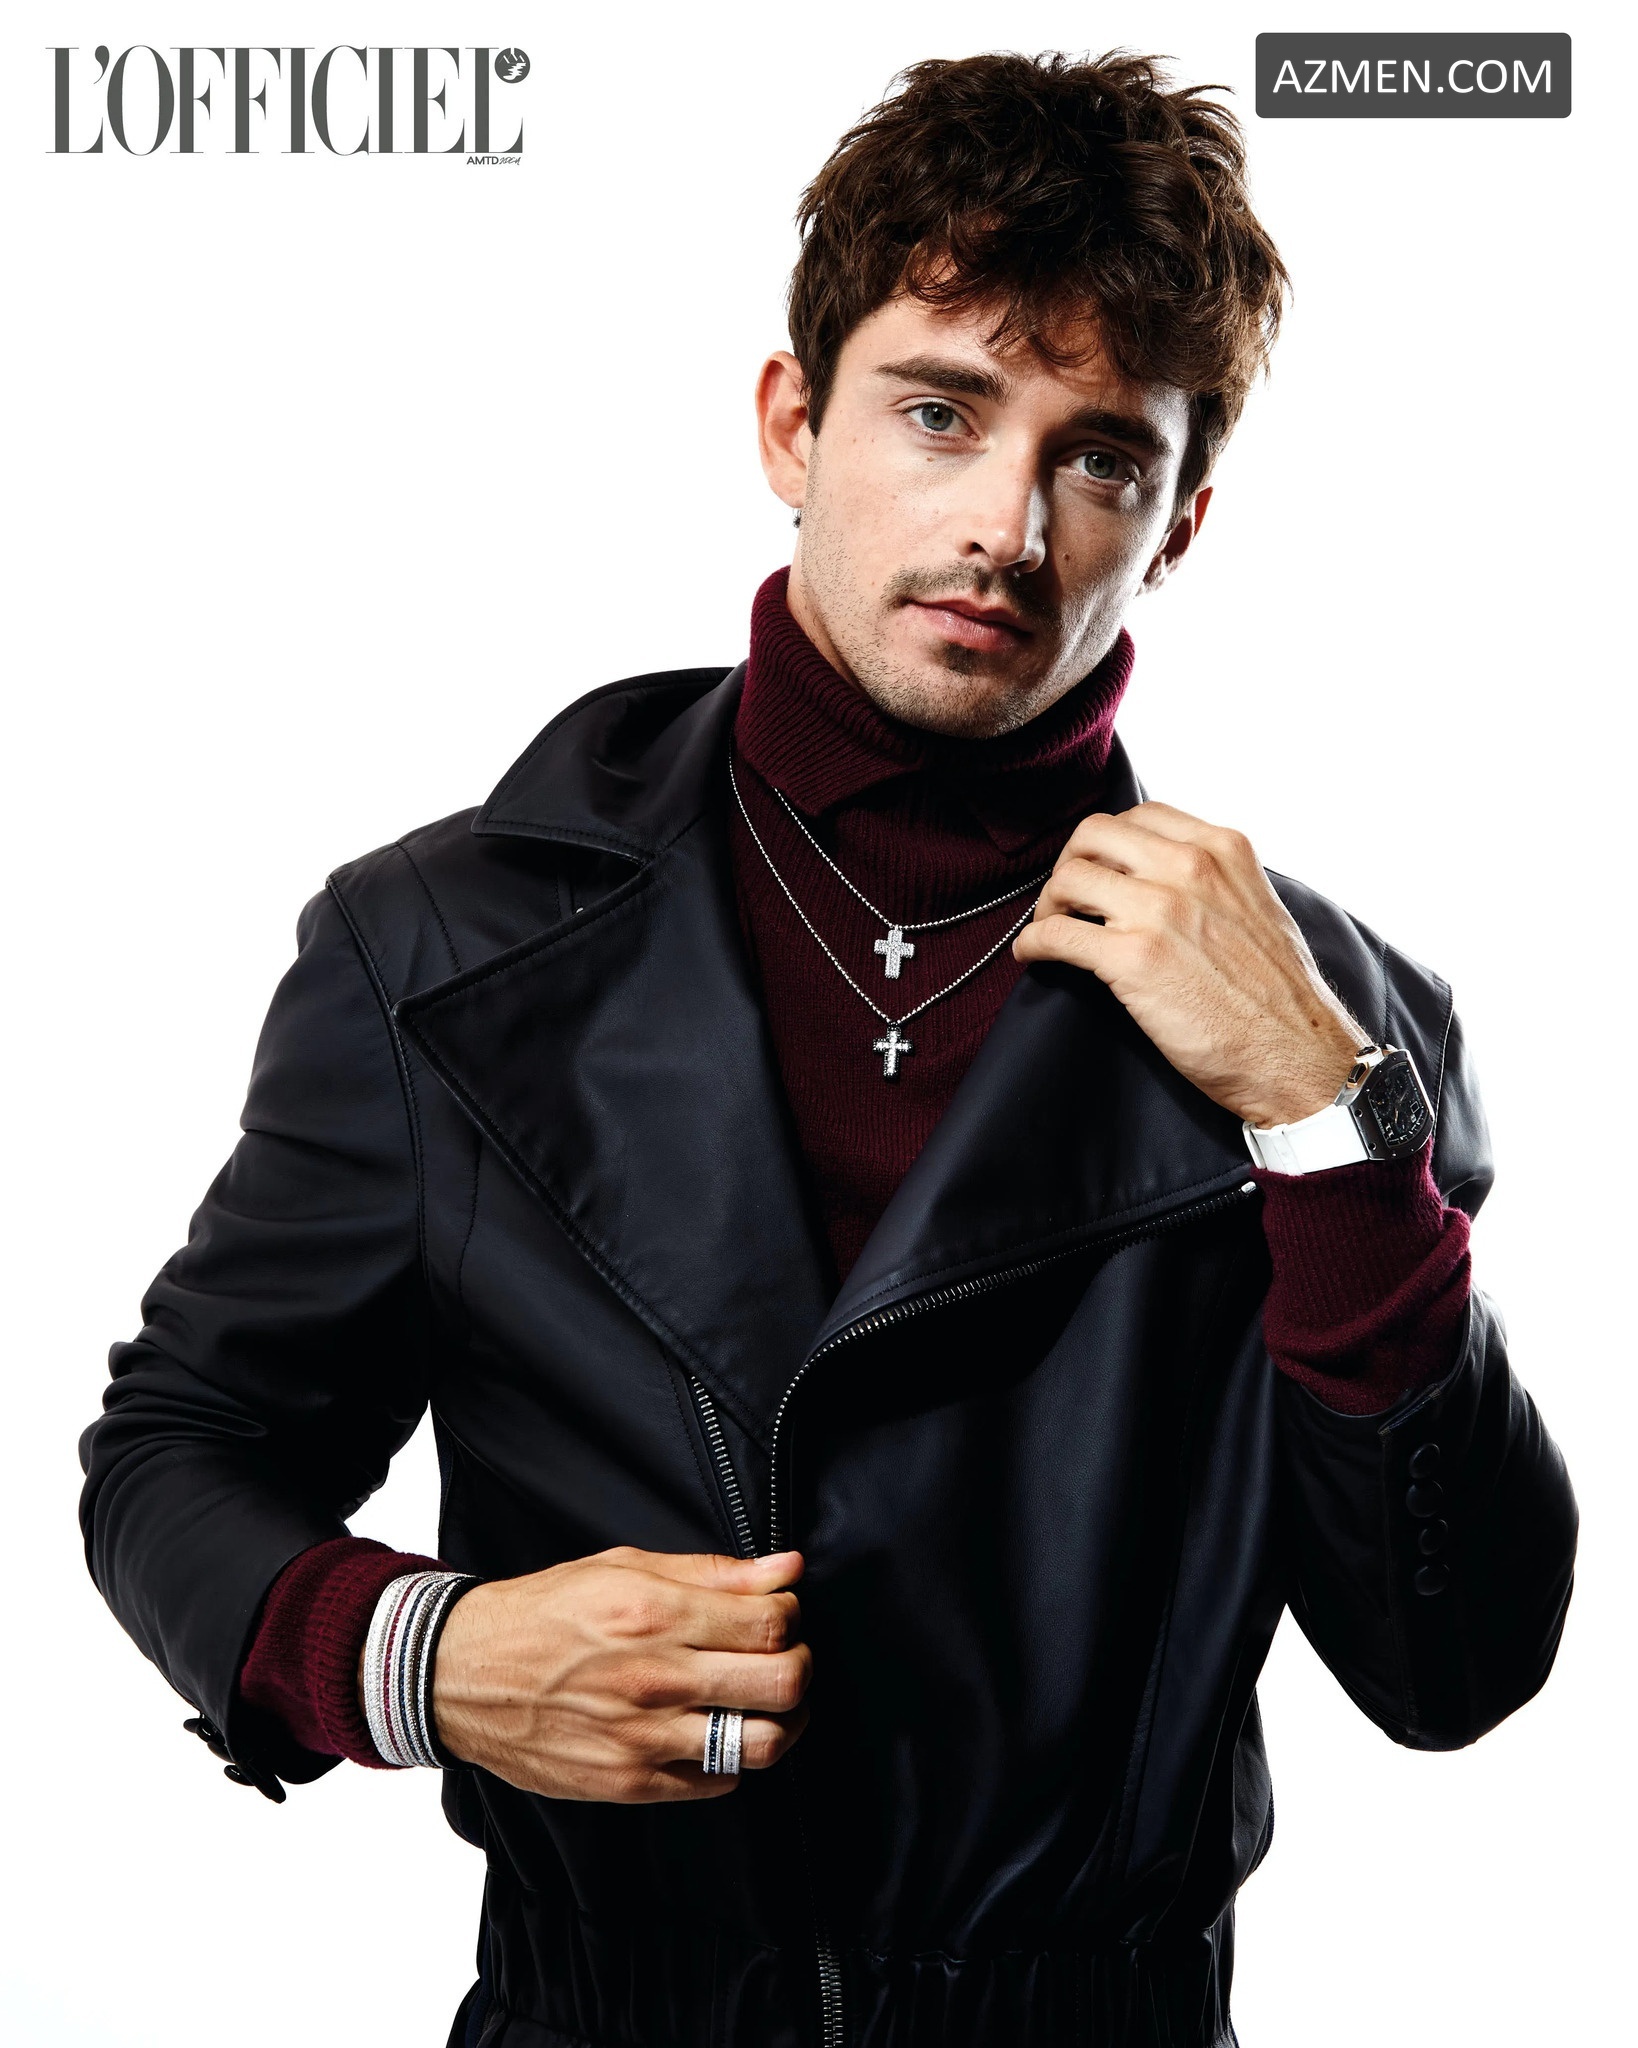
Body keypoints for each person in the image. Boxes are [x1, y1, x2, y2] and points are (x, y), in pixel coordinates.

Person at [81, 50, 1576, 2048]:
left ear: (1179, 523)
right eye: (939, 414)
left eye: (1098, 458)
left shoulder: (1337, 1023)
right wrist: (416, 1659)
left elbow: (1455, 1663)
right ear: (792, 421)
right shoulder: (440, 943)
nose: (1006, 527)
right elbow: (183, 1450)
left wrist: (1328, 1128)